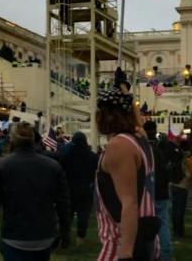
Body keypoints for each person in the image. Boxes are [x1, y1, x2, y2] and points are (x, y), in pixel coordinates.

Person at [0, 122, 71, 260]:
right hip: (44, 235)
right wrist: (65, 231)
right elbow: (63, 203)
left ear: (12, 139)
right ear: (33, 139)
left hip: (14, 235)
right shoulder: (53, 167)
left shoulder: (1, 166)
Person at [94, 87, 158, 260]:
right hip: (147, 239)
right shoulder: (140, 138)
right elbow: (138, 123)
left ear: (108, 114)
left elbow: (129, 202)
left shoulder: (119, 146)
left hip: (121, 243)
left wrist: (126, 253)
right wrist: (127, 96)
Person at [59, 131, 97, 245]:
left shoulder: (66, 153)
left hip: (69, 187)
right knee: (83, 214)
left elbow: (61, 168)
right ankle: (80, 239)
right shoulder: (92, 155)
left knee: (67, 214)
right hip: (86, 187)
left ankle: (65, 238)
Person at [143, 120, 173, 261]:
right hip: (162, 191)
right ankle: (165, 254)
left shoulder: (143, 149)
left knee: (148, 225)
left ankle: (155, 254)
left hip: (149, 192)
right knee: (163, 224)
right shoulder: (162, 148)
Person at [170, 150, 192, 238]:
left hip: (173, 186)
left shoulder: (174, 161)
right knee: (180, 210)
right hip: (182, 187)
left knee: (174, 208)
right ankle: (180, 231)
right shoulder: (186, 162)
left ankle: (175, 229)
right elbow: (190, 175)